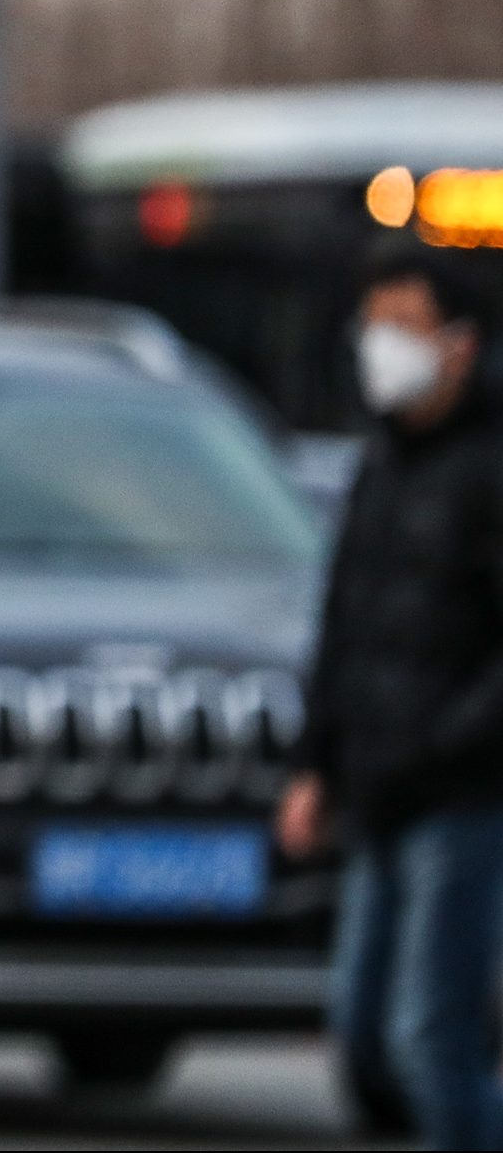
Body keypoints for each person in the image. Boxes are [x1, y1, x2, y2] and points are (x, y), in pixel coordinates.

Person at [278, 238, 503, 1151]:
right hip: (377, 787)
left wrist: (443, 746)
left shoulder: (489, 469)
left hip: (460, 792)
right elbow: (346, 625)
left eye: (404, 328)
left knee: (429, 1035)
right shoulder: (384, 463)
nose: (382, 347)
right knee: (367, 1034)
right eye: (374, 326)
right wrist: (316, 764)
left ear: (461, 344)